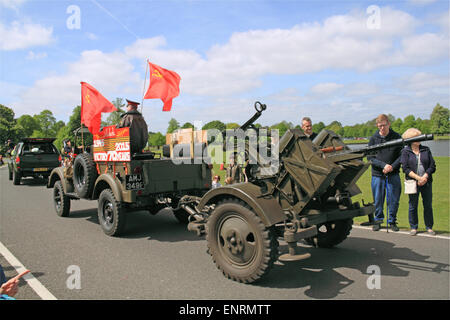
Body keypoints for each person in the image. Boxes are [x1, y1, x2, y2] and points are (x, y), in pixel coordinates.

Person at [368, 114, 402, 232]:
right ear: (377, 125)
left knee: (393, 199)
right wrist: (383, 166)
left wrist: (391, 167)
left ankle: (392, 221)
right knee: (378, 199)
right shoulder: (373, 139)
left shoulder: (396, 137)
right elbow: (370, 158)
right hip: (378, 174)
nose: (382, 128)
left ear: (389, 124)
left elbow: (402, 156)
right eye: (380, 126)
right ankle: (378, 220)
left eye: (384, 125)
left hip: (393, 174)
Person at [401, 128, 436, 236]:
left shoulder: (426, 149)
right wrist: (418, 178)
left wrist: (425, 176)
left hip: (426, 182)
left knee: (428, 205)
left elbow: (432, 166)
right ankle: (413, 227)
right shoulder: (405, 151)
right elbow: (405, 168)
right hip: (412, 182)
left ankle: (429, 227)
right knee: (413, 205)